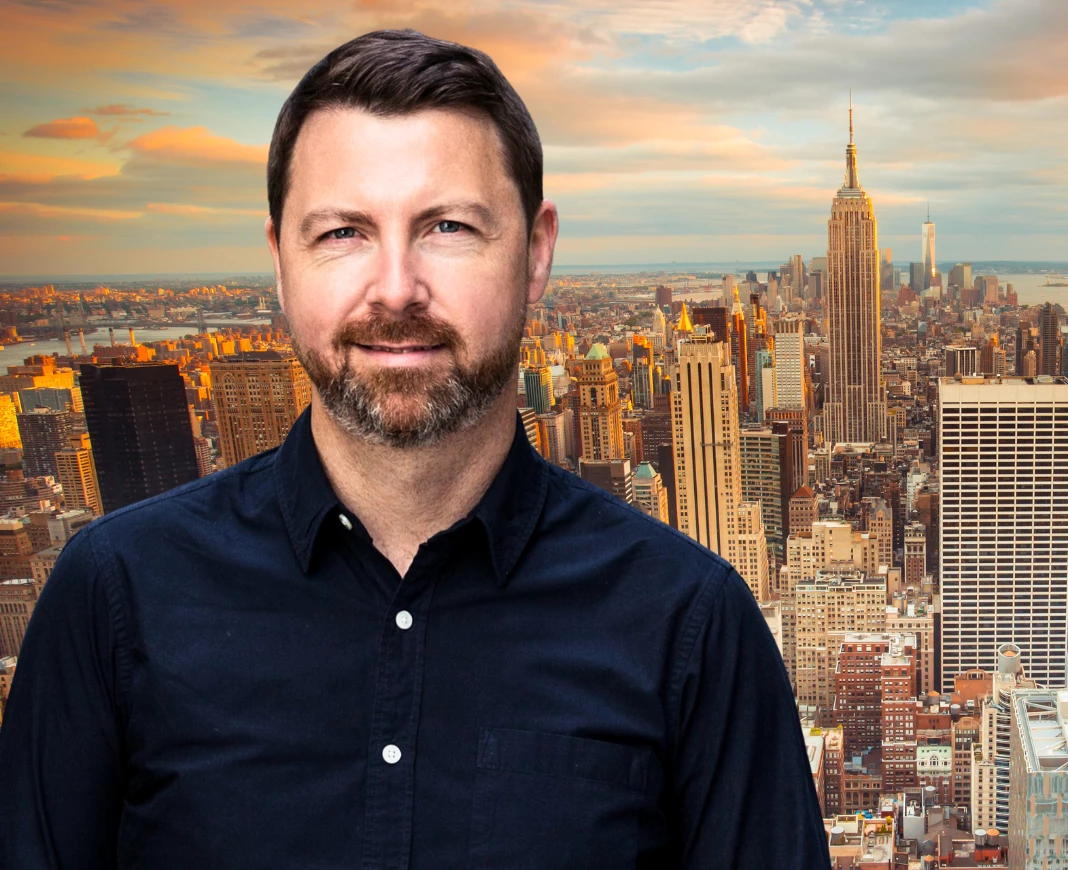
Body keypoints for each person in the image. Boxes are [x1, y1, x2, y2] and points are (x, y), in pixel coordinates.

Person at [0, 29, 829, 868]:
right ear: (279, 263)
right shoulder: (115, 597)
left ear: (537, 252)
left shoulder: (691, 624)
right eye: (342, 234)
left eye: (447, 226)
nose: (396, 288)